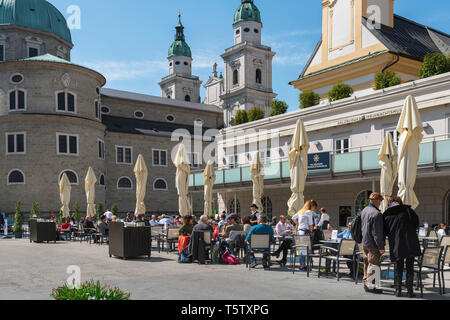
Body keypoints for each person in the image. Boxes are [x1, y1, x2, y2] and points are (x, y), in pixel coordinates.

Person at [384, 196, 421, 298]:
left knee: (398, 267)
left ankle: (398, 290)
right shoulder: (408, 210)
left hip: (396, 244)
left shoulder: (387, 214)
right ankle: (409, 291)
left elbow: (385, 231)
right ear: (400, 202)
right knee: (410, 268)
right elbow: (416, 223)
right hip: (410, 243)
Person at [361, 192, 385, 294]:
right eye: (380, 201)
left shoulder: (364, 210)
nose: (380, 203)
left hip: (365, 242)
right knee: (374, 265)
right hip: (373, 244)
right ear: (377, 200)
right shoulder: (377, 214)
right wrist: (381, 247)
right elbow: (377, 233)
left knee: (367, 263)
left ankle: (366, 283)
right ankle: (372, 286)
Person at [292, 200, 317, 271]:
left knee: (300, 249)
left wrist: (298, 224)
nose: (314, 209)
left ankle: (302, 265)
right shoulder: (309, 212)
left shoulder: (301, 211)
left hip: (299, 231)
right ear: (312, 206)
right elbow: (311, 224)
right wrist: (311, 232)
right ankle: (303, 265)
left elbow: (293, 218)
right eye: (314, 208)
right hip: (305, 232)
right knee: (306, 249)